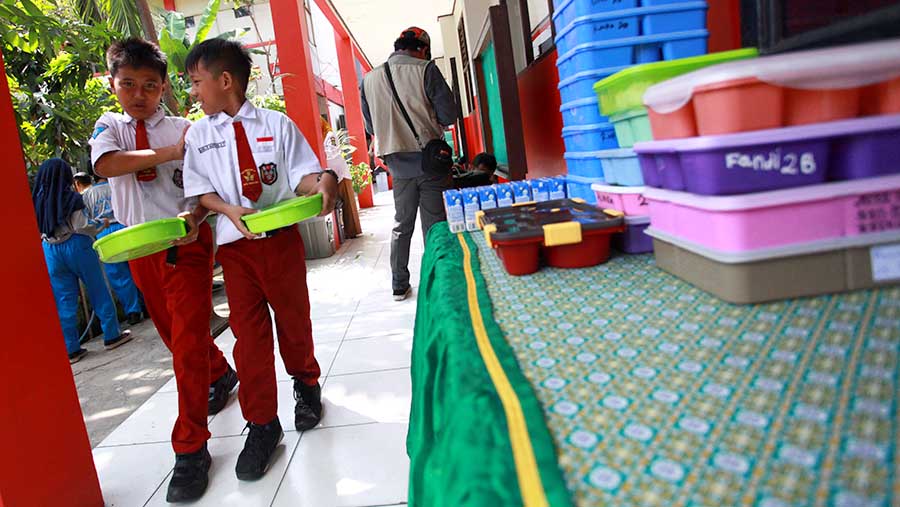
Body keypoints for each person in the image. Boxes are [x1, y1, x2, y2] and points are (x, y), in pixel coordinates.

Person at [182, 38, 338, 486]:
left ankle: (307, 386)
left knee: (293, 322)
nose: (193, 92)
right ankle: (263, 424)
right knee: (248, 341)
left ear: (225, 80)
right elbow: (200, 192)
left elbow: (303, 177)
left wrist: (323, 181)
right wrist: (227, 209)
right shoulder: (200, 135)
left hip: (281, 243)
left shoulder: (277, 125)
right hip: (235, 252)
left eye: (196, 82)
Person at [89, 38, 237, 503]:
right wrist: (167, 154)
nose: (139, 94)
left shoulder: (186, 128)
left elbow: (205, 184)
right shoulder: (109, 126)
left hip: (185, 242)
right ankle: (220, 374)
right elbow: (106, 165)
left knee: (187, 342)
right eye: (128, 84)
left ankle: (190, 447)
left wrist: (196, 217)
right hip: (139, 246)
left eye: (149, 86)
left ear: (164, 87)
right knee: (176, 336)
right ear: (112, 84)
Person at [360, 27, 456, 301]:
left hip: (397, 165)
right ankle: (437, 284)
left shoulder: (369, 79)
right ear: (423, 48)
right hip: (430, 161)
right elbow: (448, 114)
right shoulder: (426, 70)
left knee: (402, 224)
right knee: (435, 223)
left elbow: (370, 125)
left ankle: (399, 285)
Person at [32, 159, 132, 364]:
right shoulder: (70, 198)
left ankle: (71, 348)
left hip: (50, 249)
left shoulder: (38, 201)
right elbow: (82, 225)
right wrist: (101, 224)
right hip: (77, 245)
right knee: (98, 290)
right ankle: (112, 335)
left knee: (63, 299)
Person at [81, 173, 145, 325]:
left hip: (104, 233)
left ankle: (133, 312)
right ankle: (148, 305)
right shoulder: (117, 186)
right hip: (125, 227)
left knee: (118, 276)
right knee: (138, 269)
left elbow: (87, 219)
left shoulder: (87, 194)